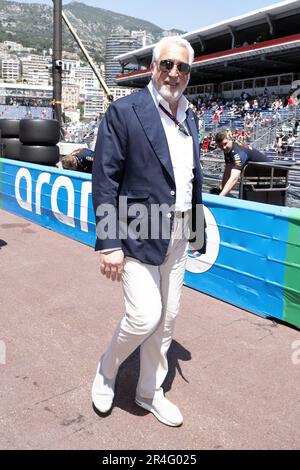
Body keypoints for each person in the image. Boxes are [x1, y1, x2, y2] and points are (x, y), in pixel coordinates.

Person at [91, 36, 205, 427]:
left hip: (177, 233)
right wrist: (109, 242)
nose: (174, 73)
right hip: (137, 232)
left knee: (168, 319)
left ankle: (148, 391)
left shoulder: (190, 114)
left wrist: (195, 231)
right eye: (167, 65)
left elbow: (191, 178)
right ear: (153, 67)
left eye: (183, 67)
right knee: (145, 316)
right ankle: (107, 368)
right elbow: (105, 179)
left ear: (189, 73)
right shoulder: (124, 111)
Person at [215, 131, 269, 197]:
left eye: (225, 144)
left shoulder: (238, 153)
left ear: (230, 139)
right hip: (255, 175)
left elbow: (234, 178)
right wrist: (222, 190)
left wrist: (220, 197)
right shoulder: (228, 150)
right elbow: (227, 171)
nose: (223, 147)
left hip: (269, 174)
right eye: (220, 146)